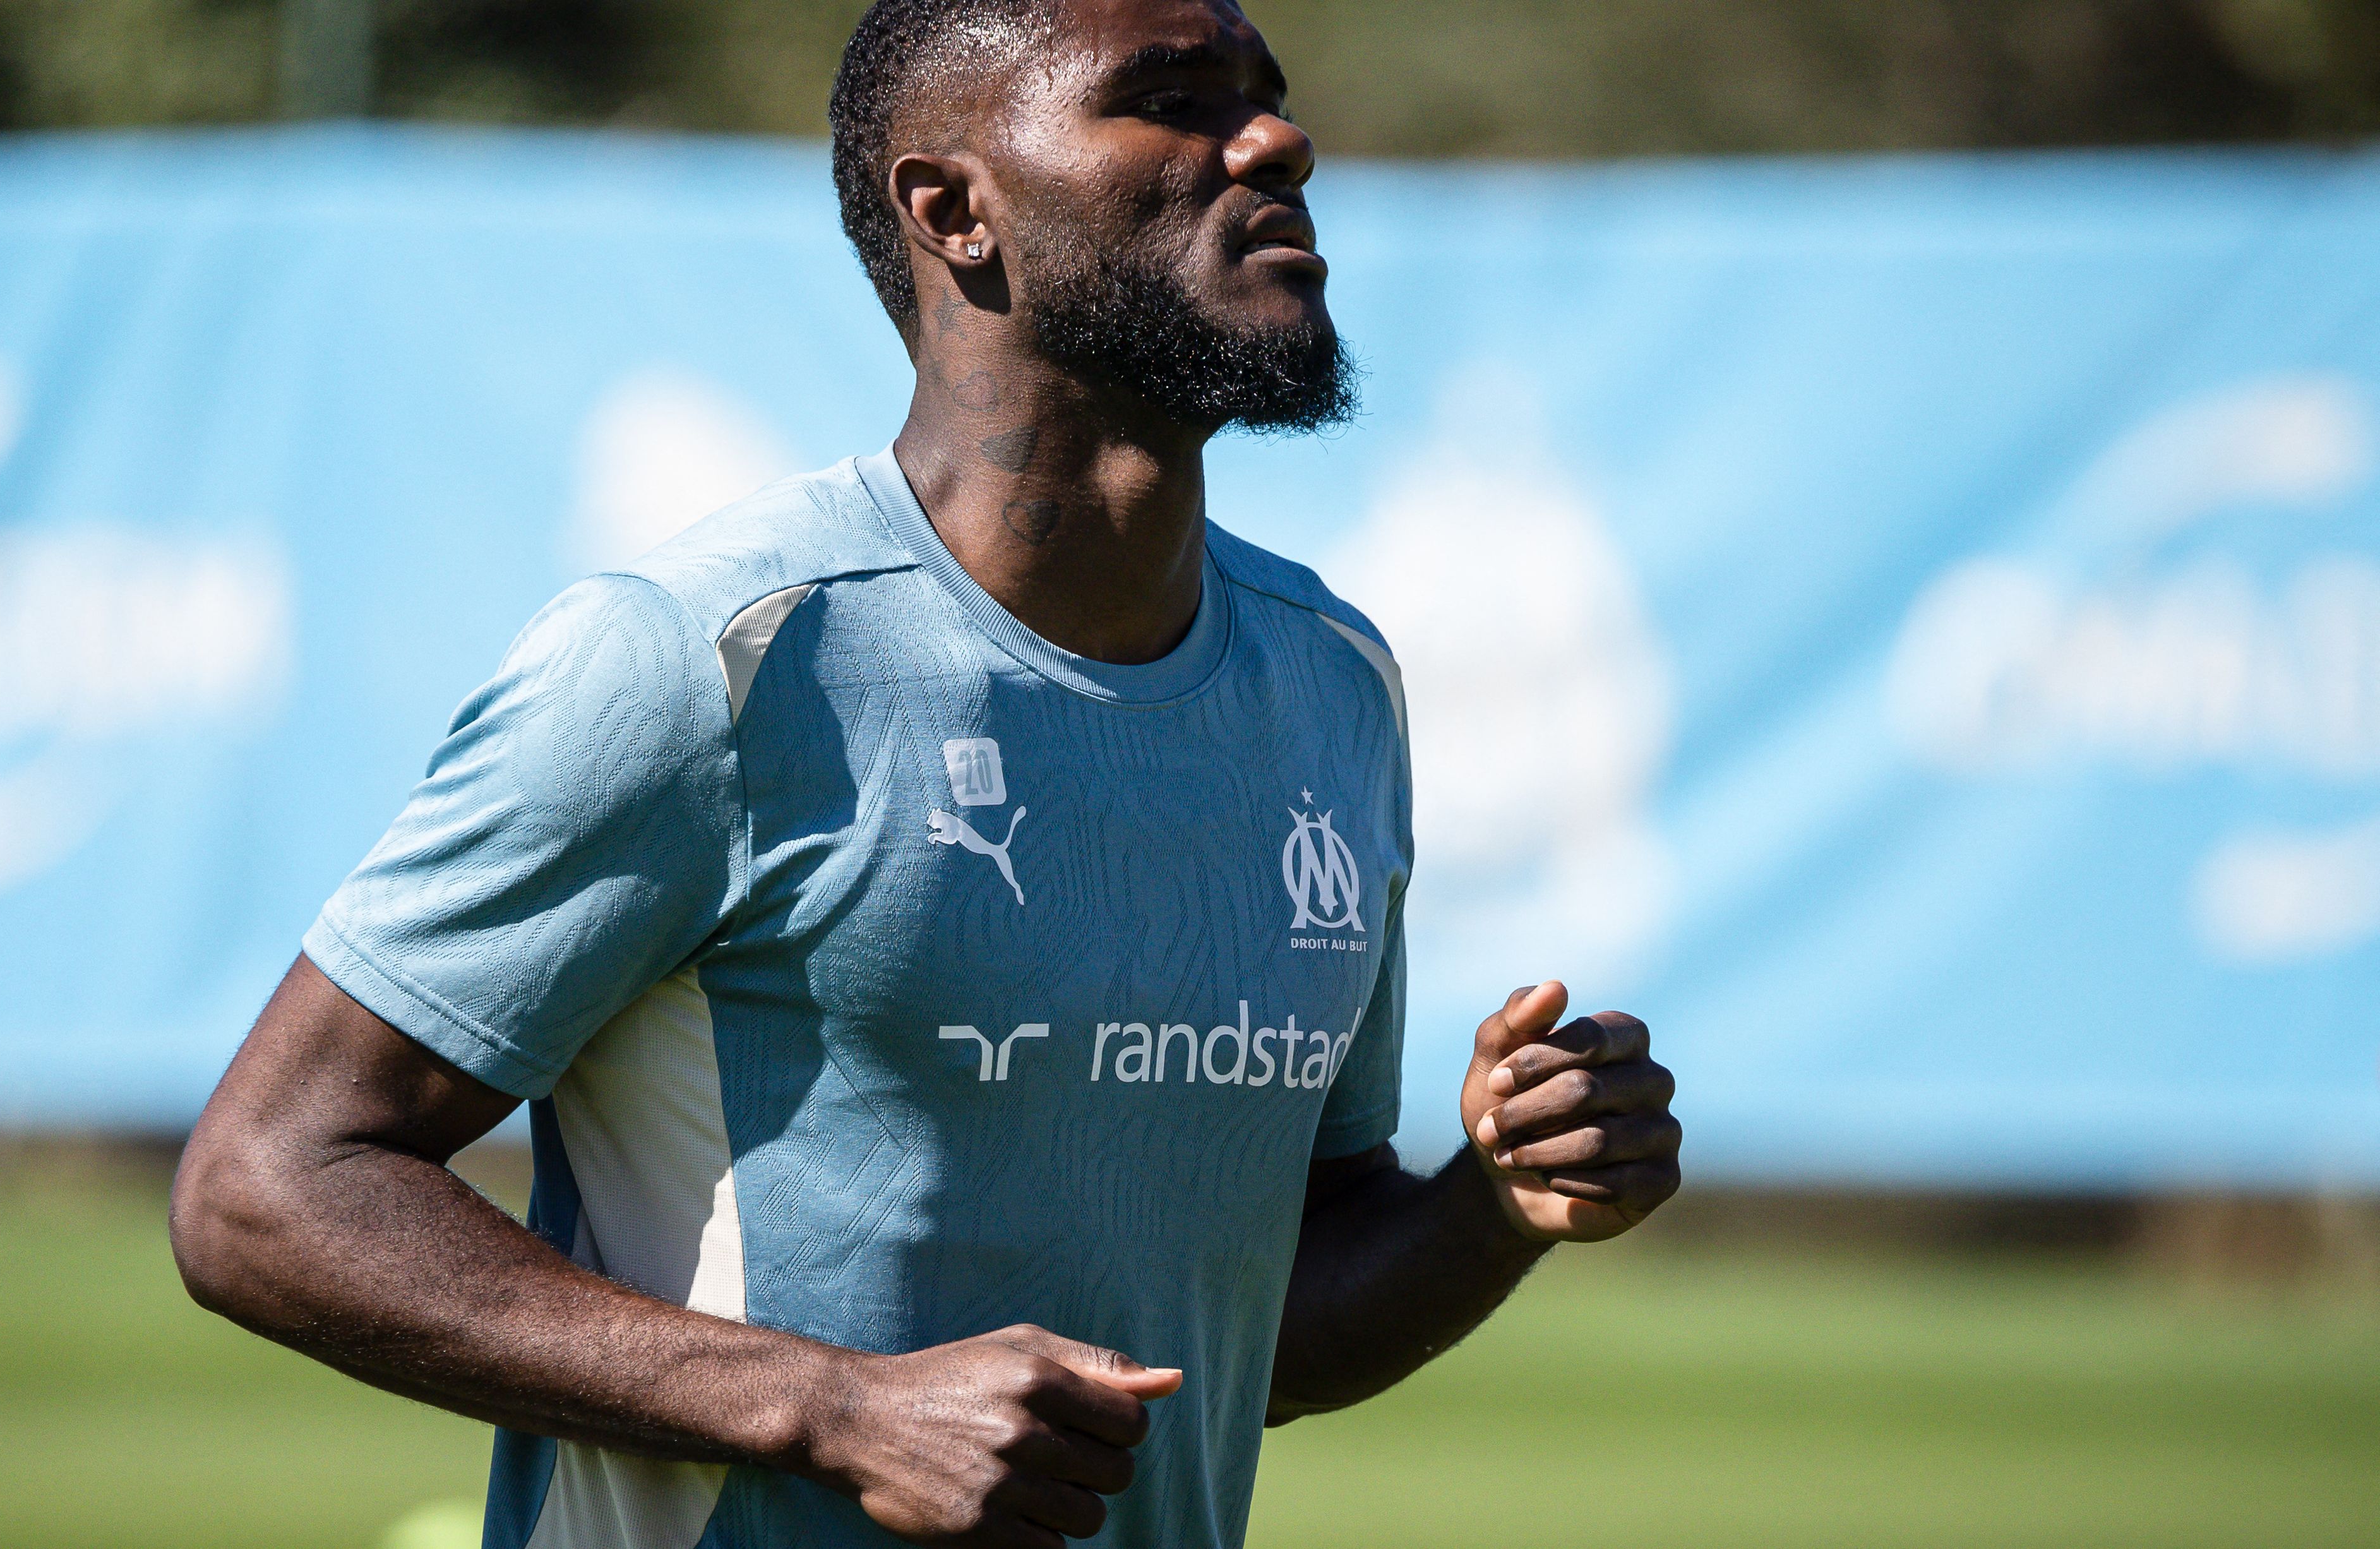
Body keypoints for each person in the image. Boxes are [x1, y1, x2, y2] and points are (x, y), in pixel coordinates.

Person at [169, 1, 1683, 1545]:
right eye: (1169, 99)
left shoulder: (1333, 681)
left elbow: (1249, 1334)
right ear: (952, 211)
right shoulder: (707, 660)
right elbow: (267, 1187)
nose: (1275, 141)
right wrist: (834, 1409)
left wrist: (1489, 1208)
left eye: (1266, 99)